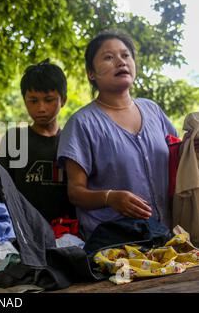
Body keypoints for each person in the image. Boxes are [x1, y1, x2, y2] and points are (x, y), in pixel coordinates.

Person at [57, 30, 179, 239]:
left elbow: (178, 159)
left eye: (125, 55)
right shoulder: (82, 123)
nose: (120, 62)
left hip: (169, 239)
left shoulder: (153, 110)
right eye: (108, 57)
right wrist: (110, 198)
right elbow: (75, 192)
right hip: (115, 247)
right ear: (91, 73)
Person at [0, 59, 76, 224]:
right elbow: (1, 190)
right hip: (23, 233)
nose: (41, 108)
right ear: (25, 100)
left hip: (67, 234)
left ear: (63, 100)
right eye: (33, 100)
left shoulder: (73, 142)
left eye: (49, 100)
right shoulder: (14, 140)